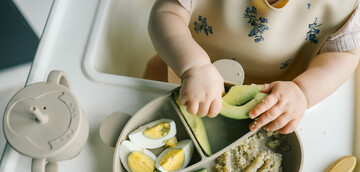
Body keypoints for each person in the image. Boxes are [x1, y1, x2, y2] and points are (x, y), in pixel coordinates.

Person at [145, 0, 360, 134]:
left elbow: (344, 53)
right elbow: (166, 12)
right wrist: (194, 65)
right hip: (189, 71)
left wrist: (303, 92)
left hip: (274, 94)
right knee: (154, 74)